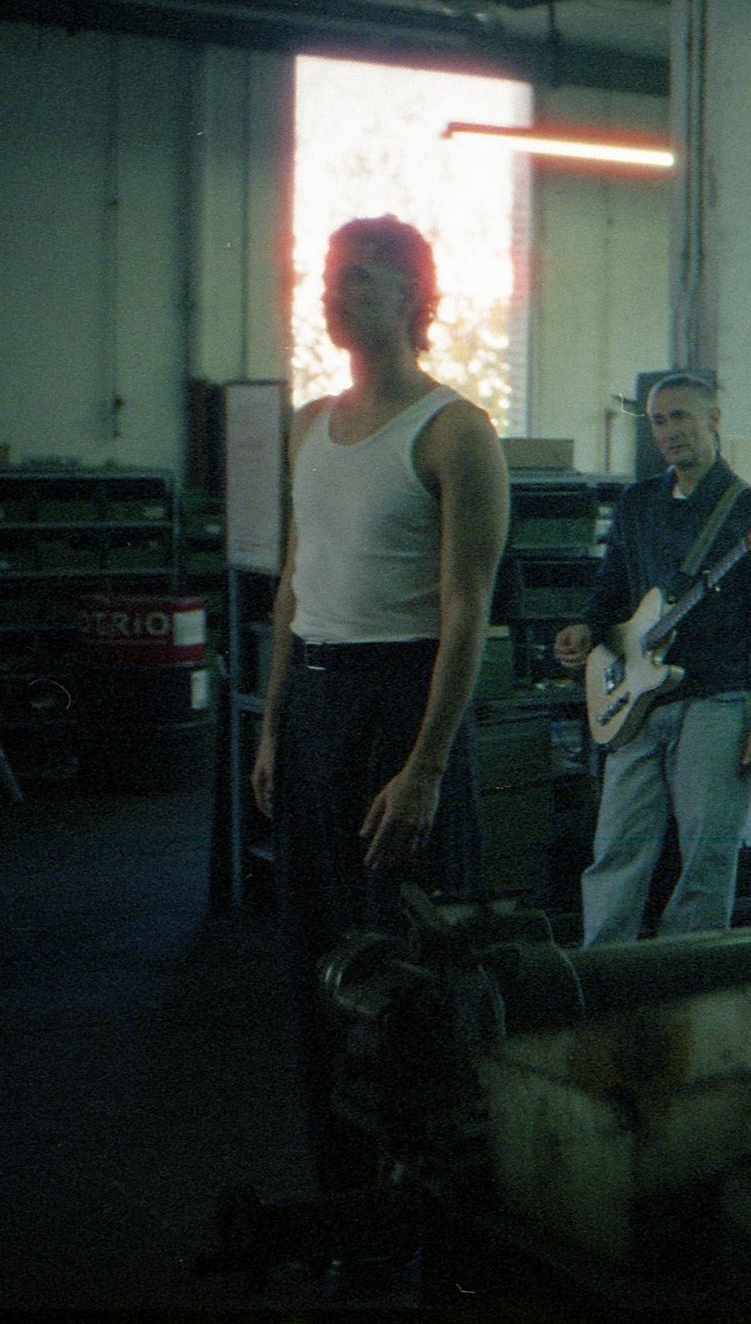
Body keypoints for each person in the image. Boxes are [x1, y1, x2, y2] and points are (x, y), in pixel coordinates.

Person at [250, 215, 510, 1192]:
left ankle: (431, 1195)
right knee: (317, 956)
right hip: (316, 704)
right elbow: (295, 579)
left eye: (359, 277)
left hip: (403, 704)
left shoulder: (453, 431)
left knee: (409, 960)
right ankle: (345, 1192)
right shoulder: (307, 424)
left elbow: (466, 608)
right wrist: (273, 723)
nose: (334, 292)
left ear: (412, 296)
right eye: (329, 277)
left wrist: (427, 765)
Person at [555, 372, 751, 946]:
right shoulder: (637, 503)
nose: (669, 431)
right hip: (636, 702)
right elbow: (610, 591)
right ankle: (603, 972)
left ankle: (689, 977)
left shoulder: (750, 512)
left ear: (713, 419)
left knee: (705, 858)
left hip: (716, 702)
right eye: (659, 421)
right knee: (616, 848)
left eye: (682, 417)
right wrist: (586, 629)